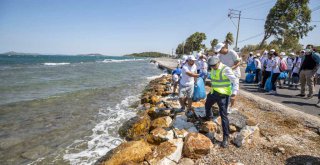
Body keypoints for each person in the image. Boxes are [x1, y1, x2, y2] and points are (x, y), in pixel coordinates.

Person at [203, 56, 239, 148]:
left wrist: (234, 94)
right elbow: (214, 79)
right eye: (211, 66)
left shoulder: (225, 69)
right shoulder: (212, 68)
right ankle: (209, 119)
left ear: (219, 62)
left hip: (223, 95)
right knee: (207, 105)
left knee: (223, 115)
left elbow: (235, 81)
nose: (213, 67)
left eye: (214, 65)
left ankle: (225, 138)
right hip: (214, 92)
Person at [215, 42, 241, 112]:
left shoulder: (232, 52)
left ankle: (231, 107)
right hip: (226, 75)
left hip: (235, 74)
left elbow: (238, 62)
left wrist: (231, 69)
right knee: (226, 91)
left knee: (233, 92)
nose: (219, 52)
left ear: (223, 48)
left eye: (220, 50)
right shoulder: (220, 55)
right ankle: (226, 105)